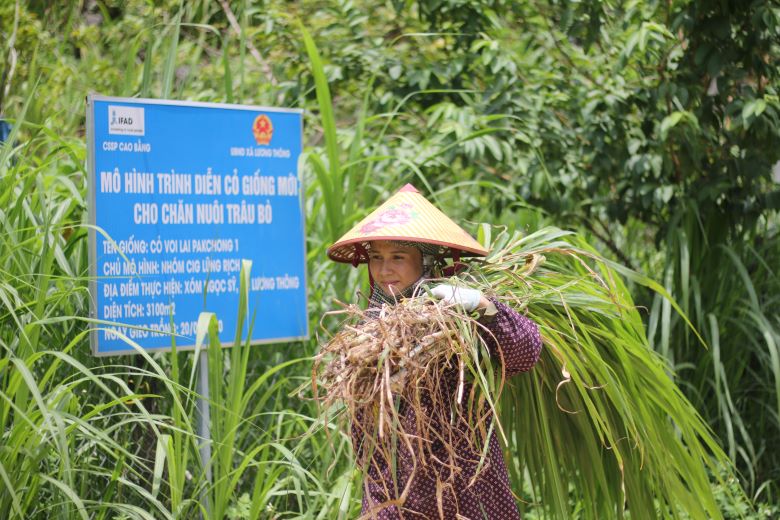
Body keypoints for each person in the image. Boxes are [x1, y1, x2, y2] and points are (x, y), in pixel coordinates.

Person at [327, 184, 542, 519]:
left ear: (424, 261)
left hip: (465, 491)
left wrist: (482, 305)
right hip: (393, 496)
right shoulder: (366, 330)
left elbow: (526, 352)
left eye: (398, 257)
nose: (384, 270)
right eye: (376, 258)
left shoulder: (458, 315)